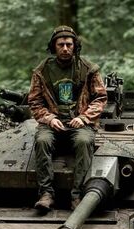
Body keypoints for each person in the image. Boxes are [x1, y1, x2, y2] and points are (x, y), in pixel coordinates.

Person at [27, 25, 107, 211]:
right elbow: (34, 101)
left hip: (79, 122)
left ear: (75, 46)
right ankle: (46, 194)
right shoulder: (42, 71)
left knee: (84, 141)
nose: (65, 48)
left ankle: (78, 194)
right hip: (52, 122)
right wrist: (48, 118)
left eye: (69, 45)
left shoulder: (88, 69)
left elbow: (100, 98)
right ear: (53, 46)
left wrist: (84, 117)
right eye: (61, 44)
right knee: (42, 140)